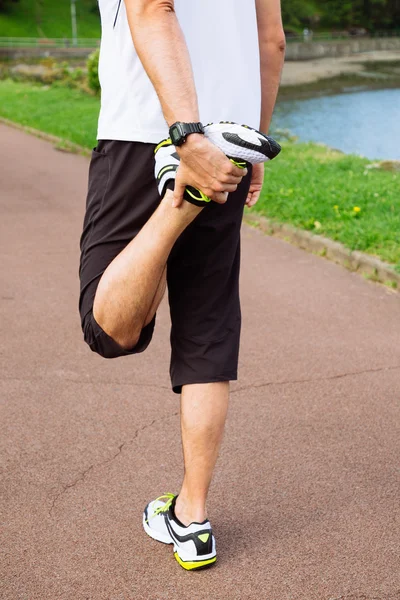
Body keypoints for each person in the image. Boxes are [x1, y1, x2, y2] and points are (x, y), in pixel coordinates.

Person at [79, 0, 285, 570]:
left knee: (109, 330)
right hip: (226, 144)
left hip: (147, 130)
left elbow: (151, 6)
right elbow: (273, 41)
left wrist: (186, 136)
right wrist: (253, 141)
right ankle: (192, 520)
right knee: (207, 330)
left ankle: (179, 200)